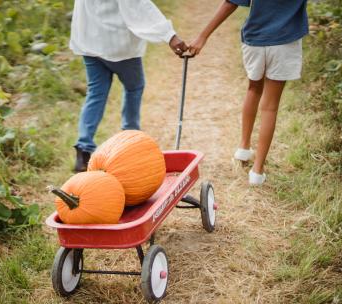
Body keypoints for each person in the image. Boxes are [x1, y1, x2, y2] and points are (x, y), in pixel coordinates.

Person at [189, 0, 308, 185]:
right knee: (270, 107)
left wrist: (202, 36)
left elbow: (230, 3)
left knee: (253, 89)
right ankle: (257, 171)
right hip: (285, 42)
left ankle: (243, 148)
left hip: (255, 39)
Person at [70, 0, 188, 172]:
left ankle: (83, 151)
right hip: (116, 44)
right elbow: (137, 4)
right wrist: (169, 35)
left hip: (89, 40)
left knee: (96, 93)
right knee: (134, 87)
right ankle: (130, 140)